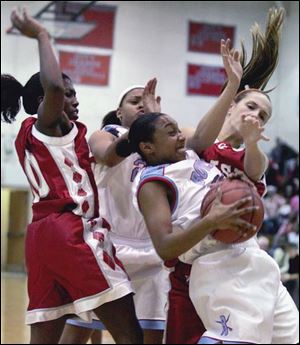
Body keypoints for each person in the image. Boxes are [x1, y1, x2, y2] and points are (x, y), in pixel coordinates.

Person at [1, 8, 143, 344]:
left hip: (40, 239)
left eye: (74, 92)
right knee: (130, 335)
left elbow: (111, 154)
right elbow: (51, 85)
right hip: (71, 230)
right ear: (44, 102)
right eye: (67, 94)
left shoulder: (41, 134)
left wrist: (140, 128)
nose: (74, 99)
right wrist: (42, 36)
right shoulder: (46, 125)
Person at [127, 112, 299, 344]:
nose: (180, 137)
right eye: (171, 133)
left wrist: (237, 185)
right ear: (148, 147)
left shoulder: (193, 157)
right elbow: (165, 247)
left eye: (178, 130)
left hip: (255, 257)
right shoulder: (153, 182)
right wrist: (211, 221)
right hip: (215, 264)